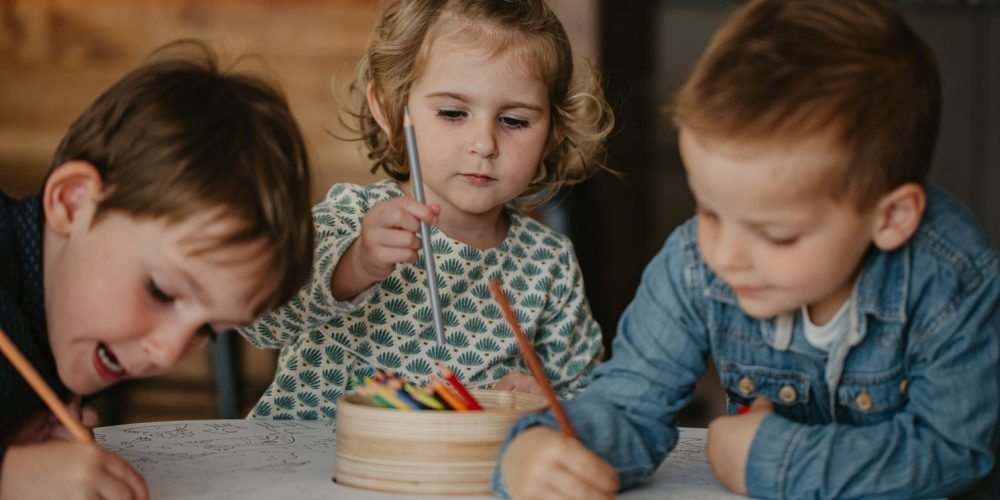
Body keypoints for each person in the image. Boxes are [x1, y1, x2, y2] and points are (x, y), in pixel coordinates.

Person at [495, 0, 1000, 498]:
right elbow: (627, 409)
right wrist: (540, 448)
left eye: (776, 234)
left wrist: (767, 458)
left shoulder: (952, 278)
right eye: (709, 210)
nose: (725, 254)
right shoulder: (694, 262)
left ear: (890, 218)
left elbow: (953, 453)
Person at [239, 0, 614, 421]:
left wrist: (550, 401)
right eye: (453, 113)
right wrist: (355, 264)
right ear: (390, 108)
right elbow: (260, 321)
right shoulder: (350, 218)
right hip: (311, 472)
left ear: (553, 133)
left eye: (514, 121)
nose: (484, 143)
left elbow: (590, 400)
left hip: (455, 478)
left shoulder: (549, 264)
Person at [0, 39, 314, 499]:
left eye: (209, 329)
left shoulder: (71, 323)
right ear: (74, 202)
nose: (168, 354)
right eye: (162, 292)